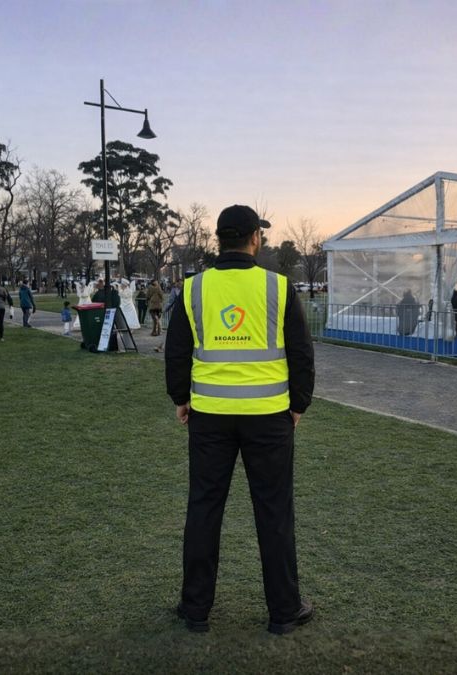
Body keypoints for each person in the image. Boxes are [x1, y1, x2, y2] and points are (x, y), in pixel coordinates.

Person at [165, 204, 315, 635]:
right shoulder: (279, 287)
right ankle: (284, 612)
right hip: (268, 417)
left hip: (209, 415)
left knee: (204, 508)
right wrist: (298, 404)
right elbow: (301, 352)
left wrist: (181, 398)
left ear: (219, 239)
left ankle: (195, 610)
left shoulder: (193, 289)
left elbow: (177, 352)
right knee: (274, 512)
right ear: (255, 239)